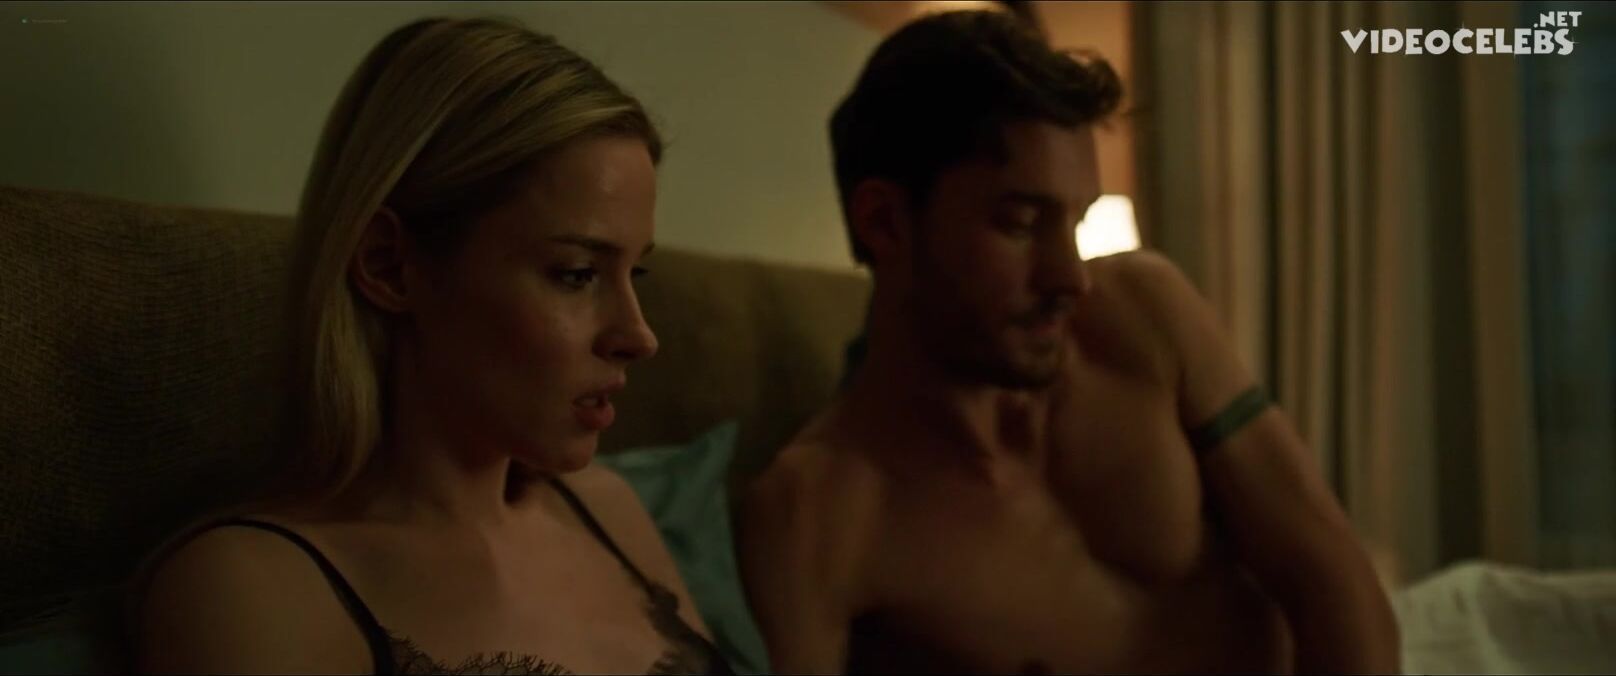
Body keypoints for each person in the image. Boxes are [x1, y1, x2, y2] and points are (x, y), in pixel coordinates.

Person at [736, 10, 1401, 674]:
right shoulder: (814, 520)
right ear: (885, 223)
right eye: (1020, 223)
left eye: (1076, 222)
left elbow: (1330, 574)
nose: (1071, 278)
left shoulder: (1145, 313)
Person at [131, 17, 731, 675]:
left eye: (634, 274)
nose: (639, 336)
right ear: (389, 265)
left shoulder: (608, 508)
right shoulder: (252, 590)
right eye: (577, 273)